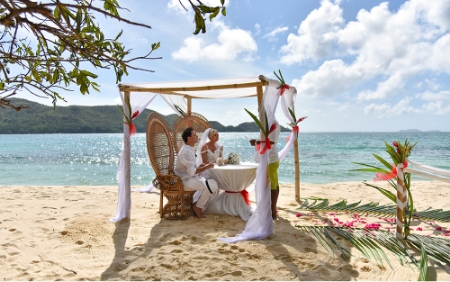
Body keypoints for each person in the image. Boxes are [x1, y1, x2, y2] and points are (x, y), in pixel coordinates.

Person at [174, 127, 219, 218]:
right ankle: (198, 207)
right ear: (189, 138)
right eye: (194, 134)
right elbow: (191, 172)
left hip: (190, 178)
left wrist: (200, 167)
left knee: (213, 183)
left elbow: (191, 169)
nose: (197, 136)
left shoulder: (189, 149)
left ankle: (198, 205)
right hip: (185, 181)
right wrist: (207, 166)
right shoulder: (185, 151)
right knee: (213, 185)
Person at [249, 119, 280, 220]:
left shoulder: (272, 124)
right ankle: (272, 210)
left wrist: (256, 142)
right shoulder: (268, 123)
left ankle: (272, 212)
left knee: (272, 186)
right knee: (274, 184)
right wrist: (257, 142)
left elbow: (271, 142)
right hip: (271, 158)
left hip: (270, 159)